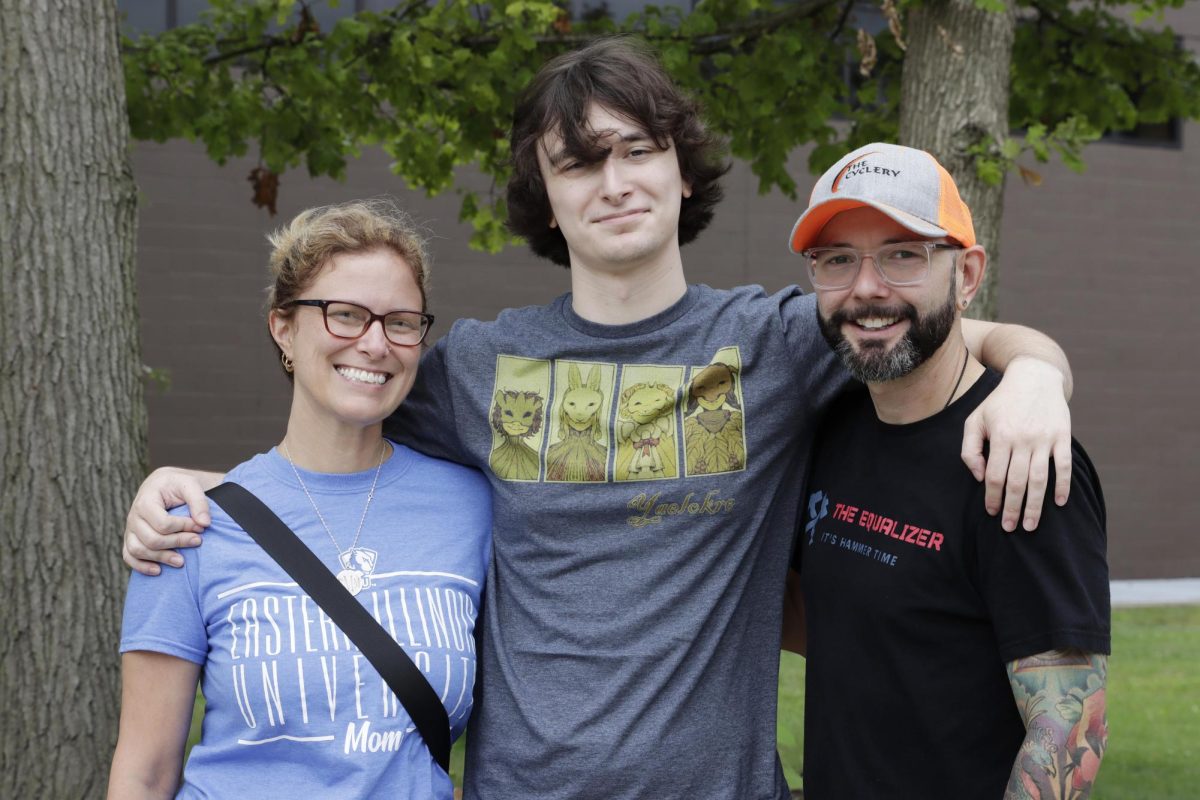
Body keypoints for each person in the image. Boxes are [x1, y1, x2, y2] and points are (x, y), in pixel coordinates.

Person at [123, 38, 1078, 799]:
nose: (612, 181)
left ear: (679, 169)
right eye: (578, 162)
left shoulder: (776, 343)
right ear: (546, 193)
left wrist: (1036, 373)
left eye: (636, 150)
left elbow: (947, 328)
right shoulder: (472, 367)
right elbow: (339, 417)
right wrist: (207, 490)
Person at [108, 200, 492, 799]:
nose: (374, 343)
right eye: (344, 314)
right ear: (283, 327)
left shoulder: (472, 509)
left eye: (400, 322)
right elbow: (144, 774)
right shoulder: (189, 524)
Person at [786, 143, 1109, 798]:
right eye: (838, 259)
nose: (867, 287)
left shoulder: (1016, 455)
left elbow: (1069, 726)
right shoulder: (827, 423)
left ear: (967, 276)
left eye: (903, 255)